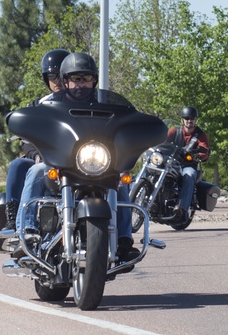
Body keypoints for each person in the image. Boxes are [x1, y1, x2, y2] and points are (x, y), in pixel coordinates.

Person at [17, 52, 138, 261]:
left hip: (96, 163)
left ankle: (124, 240)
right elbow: (32, 131)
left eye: (86, 78)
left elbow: (123, 126)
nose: (81, 84)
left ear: (94, 80)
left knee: (122, 180)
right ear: (66, 81)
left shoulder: (105, 105)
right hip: (60, 163)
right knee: (35, 170)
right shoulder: (49, 106)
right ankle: (27, 233)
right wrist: (38, 155)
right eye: (75, 79)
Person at [0, 49, 68, 238]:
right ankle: (19, 223)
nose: (57, 80)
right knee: (18, 165)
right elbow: (27, 140)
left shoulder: (83, 103)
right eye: (52, 75)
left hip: (78, 161)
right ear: (46, 78)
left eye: (62, 75)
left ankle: (120, 236)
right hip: (46, 159)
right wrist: (37, 155)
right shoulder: (39, 106)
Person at [166, 106, 211, 218]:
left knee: (189, 175)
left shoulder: (200, 135)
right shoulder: (174, 131)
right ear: (182, 119)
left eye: (192, 118)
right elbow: (163, 140)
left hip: (188, 165)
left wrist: (199, 155)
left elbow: (204, 149)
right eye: (186, 118)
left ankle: (182, 208)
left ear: (195, 119)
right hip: (172, 162)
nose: (189, 120)